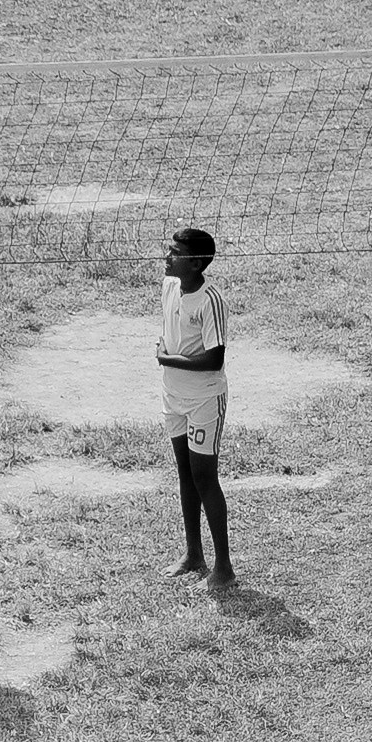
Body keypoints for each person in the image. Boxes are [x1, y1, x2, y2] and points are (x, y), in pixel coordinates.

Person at [152, 227, 235, 590]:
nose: (168, 257)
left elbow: (214, 359)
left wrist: (167, 358)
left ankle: (225, 569)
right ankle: (193, 554)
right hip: (174, 397)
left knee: (205, 478)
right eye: (170, 250)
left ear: (197, 262)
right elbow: (170, 329)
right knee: (185, 475)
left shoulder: (210, 300)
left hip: (204, 399)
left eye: (176, 252)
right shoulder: (170, 286)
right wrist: (166, 351)